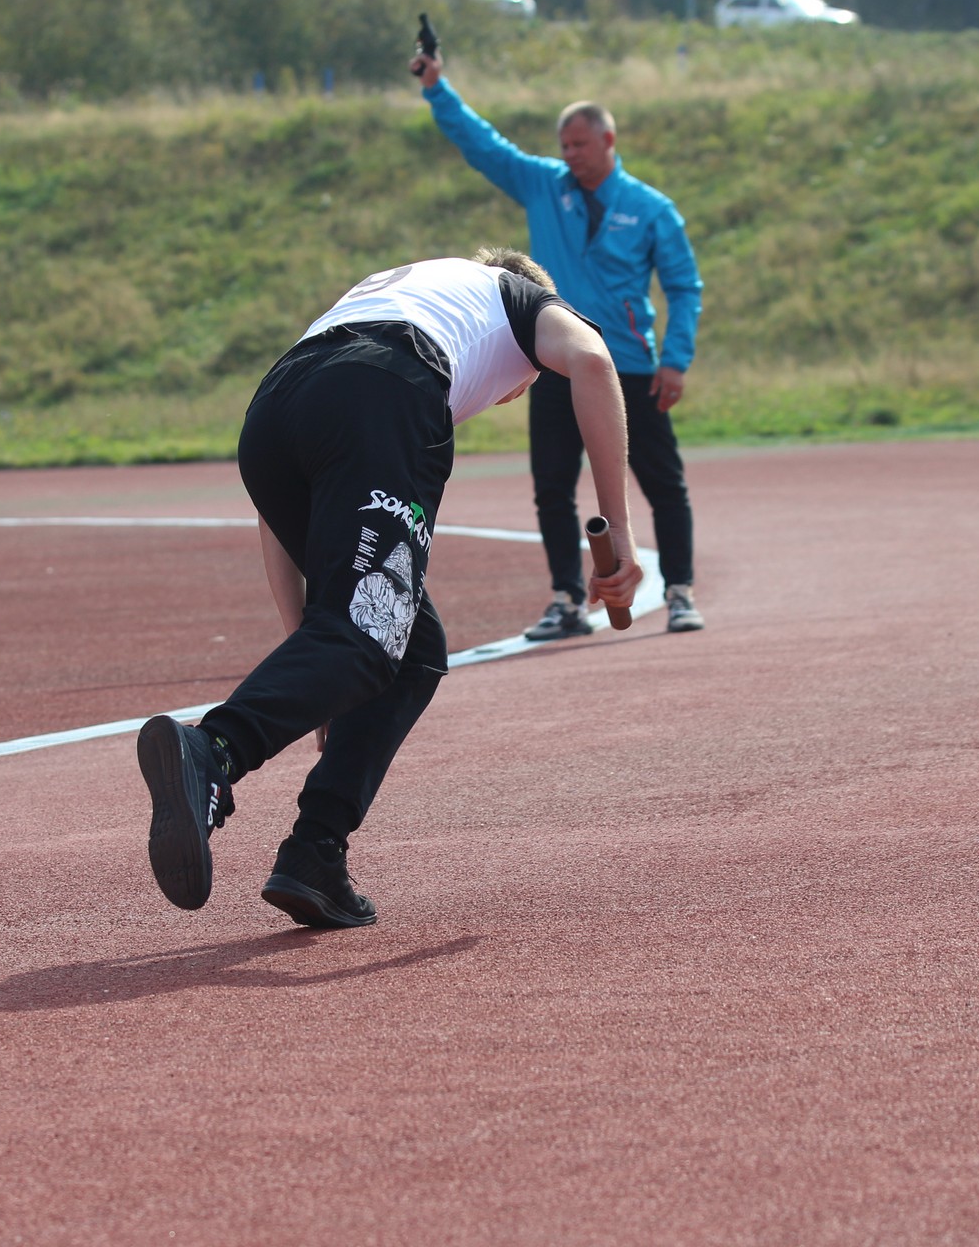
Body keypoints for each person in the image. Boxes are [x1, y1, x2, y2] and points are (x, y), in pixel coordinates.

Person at [136, 250, 639, 929]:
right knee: (373, 636)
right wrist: (620, 535)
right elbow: (595, 362)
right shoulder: (518, 298)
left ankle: (315, 852)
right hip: (383, 392)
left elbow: (281, 521)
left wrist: (312, 671)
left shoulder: (401, 292)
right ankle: (214, 749)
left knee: (412, 648)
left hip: (272, 411)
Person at [412, 47, 707, 638]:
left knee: (662, 483)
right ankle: (565, 600)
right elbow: (484, 146)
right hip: (553, 364)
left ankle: (679, 590)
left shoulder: (651, 209)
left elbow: (684, 286)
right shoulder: (546, 185)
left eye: (579, 144)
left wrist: (674, 359)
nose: (569, 155)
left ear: (608, 140)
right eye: (564, 145)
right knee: (551, 487)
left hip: (630, 368)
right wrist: (437, 88)